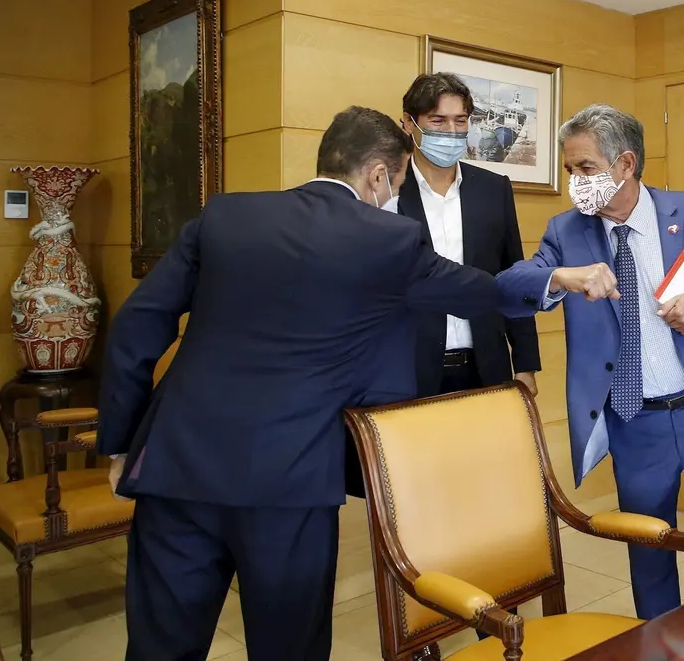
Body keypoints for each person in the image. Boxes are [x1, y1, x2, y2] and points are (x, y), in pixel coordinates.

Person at [97, 106, 504, 661]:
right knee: (288, 648)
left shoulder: (225, 217)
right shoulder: (388, 238)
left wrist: (122, 441)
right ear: (378, 175)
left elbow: (136, 327)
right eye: (398, 183)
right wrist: (556, 278)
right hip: (290, 485)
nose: (394, 196)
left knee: (159, 648)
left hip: (176, 468)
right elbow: (480, 292)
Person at [496, 104, 684, 620]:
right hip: (635, 422)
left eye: (585, 168)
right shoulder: (565, 232)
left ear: (625, 164)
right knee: (650, 561)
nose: (574, 182)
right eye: (568, 169)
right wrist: (561, 279)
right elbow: (508, 290)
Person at [398, 73, 541, 402]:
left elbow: (514, 275)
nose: (450, 132)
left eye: (460, 120)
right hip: (408, 370)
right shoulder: (388, 189)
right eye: (438, 121)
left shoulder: (493, 189)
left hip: (485, 366)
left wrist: (525, 364)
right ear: (408, 123)